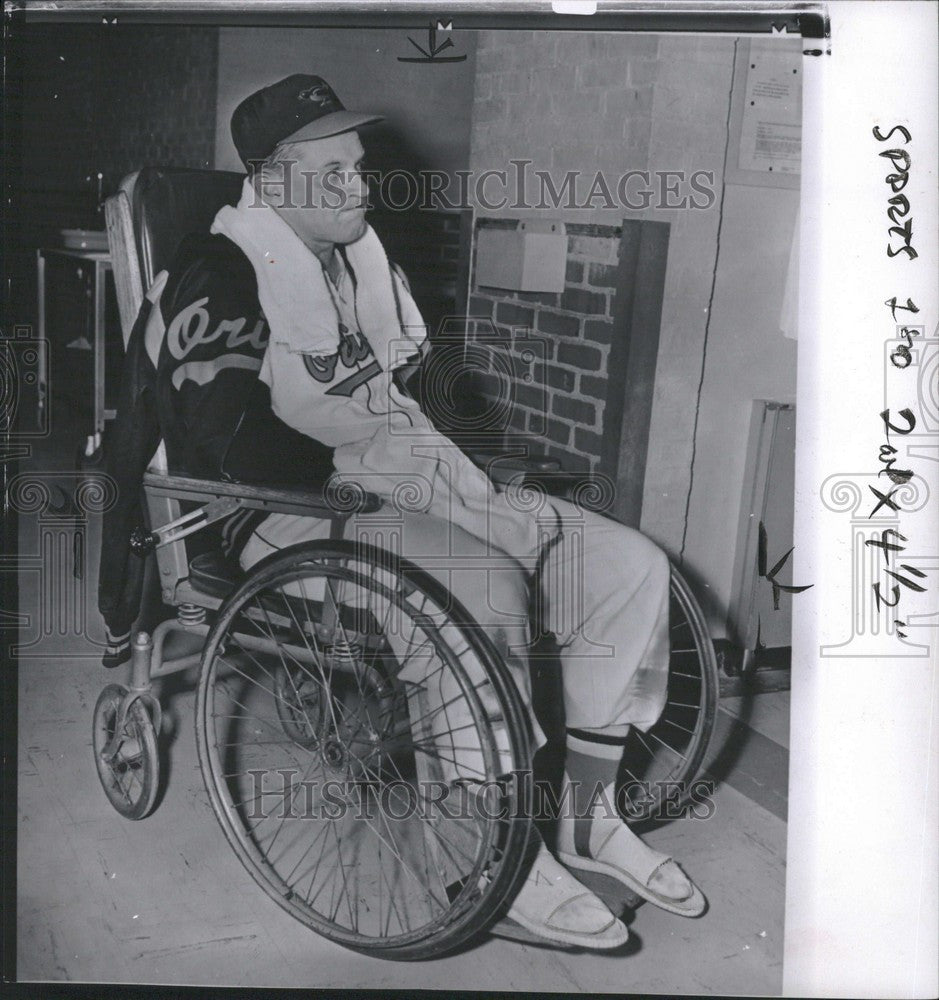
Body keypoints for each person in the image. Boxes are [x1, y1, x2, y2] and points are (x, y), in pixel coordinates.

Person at [115, 74, 706, 949]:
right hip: (275, 508)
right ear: (274, 179)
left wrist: (467, 474)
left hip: (393, 478)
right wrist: (396, 482)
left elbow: (409, 385)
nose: (361, 184)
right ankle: (483, 855)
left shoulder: (355, 260)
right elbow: (231, 438)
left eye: (359, 167)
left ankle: (583, 813)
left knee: (623, 564)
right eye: (336, 170)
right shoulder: (221, 269)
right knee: (484, 585)